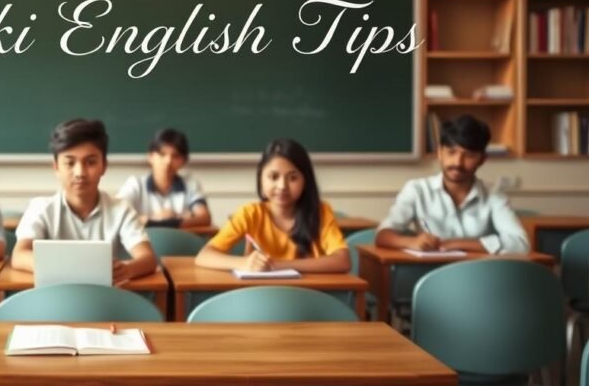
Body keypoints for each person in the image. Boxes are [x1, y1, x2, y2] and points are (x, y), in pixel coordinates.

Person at [11, 119, 158, 285]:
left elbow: (148, 258)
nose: (80, 172)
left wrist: (127, 269)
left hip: (104, 303)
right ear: (56, 167)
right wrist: (69, 269)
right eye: (70, 163)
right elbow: (19, 255)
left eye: (90, 162)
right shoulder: (40, 208)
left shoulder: (121, 209)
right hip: (54, 300)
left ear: (104, 166)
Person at [375, 114, 529, 254]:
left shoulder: (494, 196)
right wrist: (412, 242)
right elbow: (383, 235)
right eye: (451, 152)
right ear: (440, 153)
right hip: (430, 273)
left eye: (469, 155)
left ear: (482, 159)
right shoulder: (417, 190)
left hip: (480, 276)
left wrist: (455, 243)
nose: (457, 162)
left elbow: (520, 244)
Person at [196, 138, 350, 273]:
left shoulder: (320, 212)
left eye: (293, 177)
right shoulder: (250, 213)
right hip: (261, 295)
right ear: (260, 178)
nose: (282, 186)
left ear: (306, 180)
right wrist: (244, 263)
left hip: (310, 295)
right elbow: (204, 256)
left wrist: (279, 265)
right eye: (273, 177)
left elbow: (342, 260)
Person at [116, 128, 211, 228]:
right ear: (150, 156)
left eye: (175, 156)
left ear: (183, 161)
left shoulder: (190, 184)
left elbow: (204, 218)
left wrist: (166, 219)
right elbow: (117, 214)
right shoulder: (135, 184)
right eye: (162, 154)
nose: (168, 161)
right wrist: (158, 218)